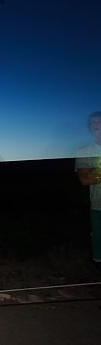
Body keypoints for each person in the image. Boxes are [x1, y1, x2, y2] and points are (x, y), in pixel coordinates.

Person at [75, 111, 101, 263]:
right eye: (93, 123)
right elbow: (85, 179)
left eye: (99, 121)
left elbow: (91, 176)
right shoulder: (84, 151)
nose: (96, 125)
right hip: (98, 206)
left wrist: (95, 174)